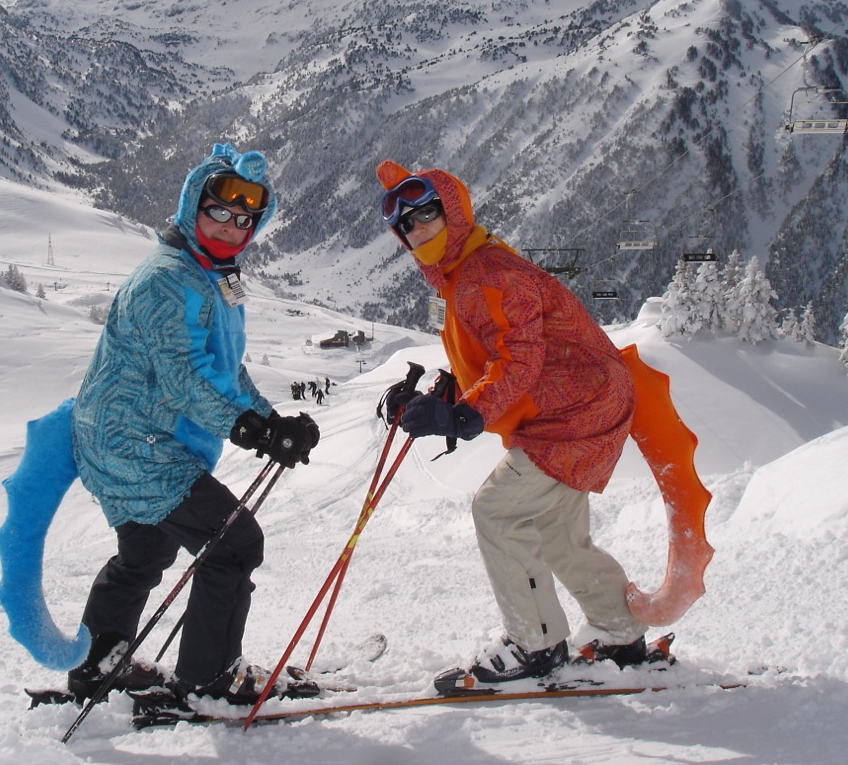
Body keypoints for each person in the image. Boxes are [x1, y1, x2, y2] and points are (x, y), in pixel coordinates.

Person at [375, 161, 646, 690]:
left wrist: (465, 413)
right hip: (576, 407)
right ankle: (621, 634)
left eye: (427, 213)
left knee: (496, 510)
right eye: (405, 225)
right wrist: (443, 397)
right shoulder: (466, 274)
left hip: (573, 413)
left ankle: (536, 645)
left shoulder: (491, 273)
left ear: (453, 212)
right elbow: (495, 356)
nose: (417, 229)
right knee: (557, 534)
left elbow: (520, 359)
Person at [68, 143, 319, 707]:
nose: (232, 229)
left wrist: (268, 419)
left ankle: (96, 664)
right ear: (191, 208)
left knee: (148, 550)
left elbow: (222, 367)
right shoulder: (168, 280)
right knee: (234, 542)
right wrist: (253, 429)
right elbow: (183, 379)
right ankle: (208, 679)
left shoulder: (213, 276)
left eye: (245, 221)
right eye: (219, 214)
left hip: (137, 437)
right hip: (132, 443)